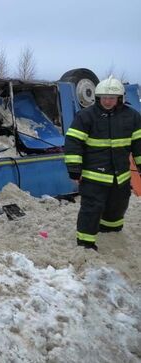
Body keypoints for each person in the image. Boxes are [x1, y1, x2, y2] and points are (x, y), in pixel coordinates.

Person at [64, 76, 141, 251]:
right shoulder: (85, 116)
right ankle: (85, 242)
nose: (107, 101)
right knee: (91, 208)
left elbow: (139, 145)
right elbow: (73, 142)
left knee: (118, 204)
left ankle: (110, 229)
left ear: (120, 98)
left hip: (120, 176)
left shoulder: (133, 117)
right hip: (94, 176)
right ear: (97, 98)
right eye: (103, 97)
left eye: (111, 98)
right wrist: (75, 170)